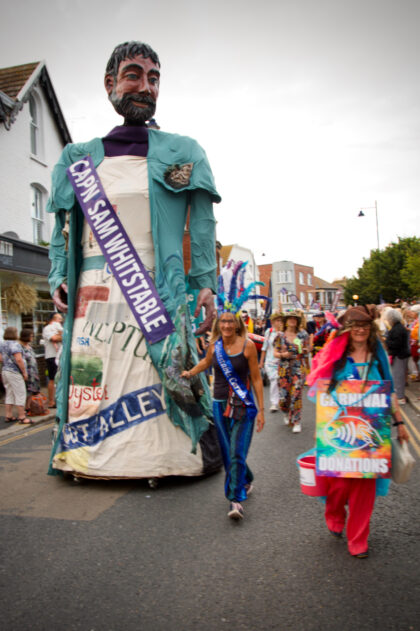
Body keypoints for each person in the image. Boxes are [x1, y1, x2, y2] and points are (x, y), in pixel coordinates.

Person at [47, 41, 222, 479]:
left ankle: (167, 458)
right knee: (94, 376)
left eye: (154, 77)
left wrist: (204, 282)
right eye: (134, 75)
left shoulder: (185, 151)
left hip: (157, 288)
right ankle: (86, 454)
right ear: (110, 84)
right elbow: (61, 230)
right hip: (94, 294)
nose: (145, 86)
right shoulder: (77, 158)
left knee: (157, 369)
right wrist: (56, 276)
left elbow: (201, 226)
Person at [307, 305, 409, 558]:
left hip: (371, 430)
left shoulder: (378, 354)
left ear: (371, 328)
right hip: (341, 429)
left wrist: (399, 423)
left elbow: (390, 390)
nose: (360, 330)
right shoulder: (337, 354)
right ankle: (334, 513)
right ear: (347, 329)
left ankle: (358, 540)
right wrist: (320, 426)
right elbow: (322, 391)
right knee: (340, 485)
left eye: (365, 326)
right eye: (355, 326)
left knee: (364, 487)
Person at [182, 310, 264, 520]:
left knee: (237, 452)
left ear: (237, 325)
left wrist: (262, 410)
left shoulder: (248, 346)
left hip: (243, 406)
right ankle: (246, 478)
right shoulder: (215, 345)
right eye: (223, 322)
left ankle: (235, 500)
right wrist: (190, 373)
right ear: (219, 325)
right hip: (219, 405)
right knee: (228, 451)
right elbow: (206, 363)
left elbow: (255, 379)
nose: (227, 325)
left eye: (230, 322)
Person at [274, 312, 307, 433]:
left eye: (295, 319)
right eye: (290, 319)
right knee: (284, 396)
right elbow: (275, 353)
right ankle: (285, 411)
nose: (292, 321)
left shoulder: (303, 335)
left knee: (296, 394)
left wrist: (304, 350)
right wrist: (284, 354)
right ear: (286, 321)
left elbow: (307, 350)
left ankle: (297, 421)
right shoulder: (280, 336)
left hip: (298, 367)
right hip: (284, 368)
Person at [0, 326, 30, 424]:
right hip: (15, 372)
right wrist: (24, 372)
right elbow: (18, 359)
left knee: (9, 393)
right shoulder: (15, 345)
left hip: (5, 371)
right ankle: (22, 416)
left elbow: (1, 359)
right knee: (20, 393)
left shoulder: (2, 345)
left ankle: (8, 415)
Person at [384, 308, 411, 404]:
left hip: (400, 355)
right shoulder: (399, 327)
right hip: (401, 355)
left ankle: (400, 397)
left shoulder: (397, 329)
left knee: (398, 376)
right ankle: (399, 395)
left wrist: (386, 341)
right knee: (398, 376)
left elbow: (396, 343)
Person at [259, 311, 283, 412]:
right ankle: (274, 403)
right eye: (277, 320)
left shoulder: (284, 333)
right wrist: (261, 363)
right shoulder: (268, 332)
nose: (279, 322)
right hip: (270, 361)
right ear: (272, 322)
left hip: (282, 361)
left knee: (280, 381)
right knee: (274, 380)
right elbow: (264, 347)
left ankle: (282, 399)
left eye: (281, 320)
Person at [42, 313, 63, 408]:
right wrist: (62, 335)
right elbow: (54, 338)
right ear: (53, 319)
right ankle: (51, 402)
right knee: (52, 378)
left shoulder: (58, 329)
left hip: (60, 355)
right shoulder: (48, 328)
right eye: (59, 319)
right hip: (52, 356)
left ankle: (59, 399)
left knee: (60, 378)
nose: (61, 321)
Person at [19, 328, 40, 412]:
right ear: (25, 336)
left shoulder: (29, 346)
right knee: (26, 390)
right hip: (27, 371)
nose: (32, 337)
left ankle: (28, 407)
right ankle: (23, 408)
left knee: (31, 389)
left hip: (33, 371)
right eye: (31, 336)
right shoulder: (20, 347)